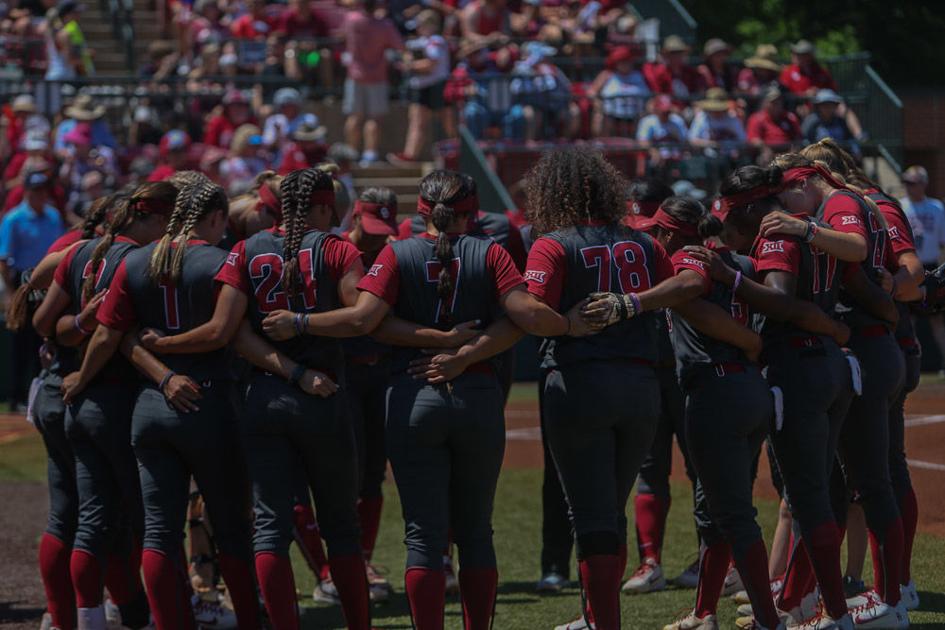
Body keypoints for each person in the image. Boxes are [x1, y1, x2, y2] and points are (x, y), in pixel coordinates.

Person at [259, 169, 530, 630]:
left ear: (420, 211)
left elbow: (366, 320)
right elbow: (522, 317)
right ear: (472, 211)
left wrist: (301, 323)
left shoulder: (394, 254)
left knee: (422, 536)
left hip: (412, 394)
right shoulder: (492, 250)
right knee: (476, 532)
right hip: (478, 395)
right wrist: (463, 354)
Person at [137, 167, 372, 630]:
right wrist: (305, 332)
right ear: (323, 207)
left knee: (269, 529)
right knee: (341, 527)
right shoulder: (338, 248)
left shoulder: (245, 248)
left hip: (261, 397)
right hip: (323, 396)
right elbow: (360, 318)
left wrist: (289, 367)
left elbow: (236, 334)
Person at [61, 174, 262, 630]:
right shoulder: (225, 259)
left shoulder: (134, 264)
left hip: (151, 407)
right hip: (210, 405)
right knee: (231, 532)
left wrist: (159, 374)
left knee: (158, 534)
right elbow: (222, 333)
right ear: (213, 217)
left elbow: (115, 337)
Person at [32, 182, 179, 630]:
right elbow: (117, 337)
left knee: (76, 519)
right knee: (140, 522)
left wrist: (77, 323)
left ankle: (80, 619)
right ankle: (146, 616)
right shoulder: (137, 260)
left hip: (63, 397)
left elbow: (42, 322)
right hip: (110, 398)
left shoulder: (79, 252)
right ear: (149, 219)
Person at [804, 139, 926, 614]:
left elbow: (910, 272)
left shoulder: (868, 205)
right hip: (869, 345)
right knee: (863, 477)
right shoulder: (850, 206)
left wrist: (887, 286)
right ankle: (872, 585)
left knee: (880, 475)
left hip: (881, 346)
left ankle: (896, 585)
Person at [0, 171, 64, 410]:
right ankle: (17, 397)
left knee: (45, 338)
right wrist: (10, 294)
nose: (40, 195)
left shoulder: (53, 216)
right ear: (26, 191)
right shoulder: (13, 218)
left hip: (49, 283)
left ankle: (41, 394)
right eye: (35, 190)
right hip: (23, 283)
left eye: (43, 190)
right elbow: (4, 260)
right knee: (21, 343)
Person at [341, 0, 403, 167]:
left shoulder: (351, 19)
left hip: (354, 75)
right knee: (374, 119)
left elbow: (342, 36)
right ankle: (369, 155)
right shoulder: (384, 25)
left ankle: (351, 154)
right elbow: (399, 46)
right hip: (377, 77)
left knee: (354, 117)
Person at [389, 10, 451, 166]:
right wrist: (406, 58)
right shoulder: (420, 41)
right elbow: (406, 53)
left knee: (447, 121)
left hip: (437, 86)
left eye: (420, 26)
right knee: (417, 122)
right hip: (421, 87)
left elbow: (431, 64)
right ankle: (410, 155)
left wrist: (409, 66)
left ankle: (455, 153)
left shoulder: (436, 41)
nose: (417, 29)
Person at [900, 165, 945, 373]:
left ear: (924, 184)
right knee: (909, 320)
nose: (909, 187)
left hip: (931, 266)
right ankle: (909, 365)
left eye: (913, 182)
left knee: (937, 319)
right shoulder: (901, 206)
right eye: (906, 182)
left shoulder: (936, 208)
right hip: (909, 267)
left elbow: (942, 242)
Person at [588, 45, 651, 137]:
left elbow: (650, 95)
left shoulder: (639, 75)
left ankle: (638, 145)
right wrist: (598, 104)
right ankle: (602, 143)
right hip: (611, 113)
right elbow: (591, 92)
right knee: (599, 116)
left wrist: (649, 106)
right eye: (622, 62)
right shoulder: (607, 75)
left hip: (636, 113)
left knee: (647, 117)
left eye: (627, 61)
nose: (625, 64)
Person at [642, 35, 705, 101]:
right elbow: (659, 95)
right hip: (670, 108)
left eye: (679, 52)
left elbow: (698, 90)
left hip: (690, 106)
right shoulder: (661, 73)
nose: (676, 56)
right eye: (673, 53)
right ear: (666, 55)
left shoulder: (690, 72)